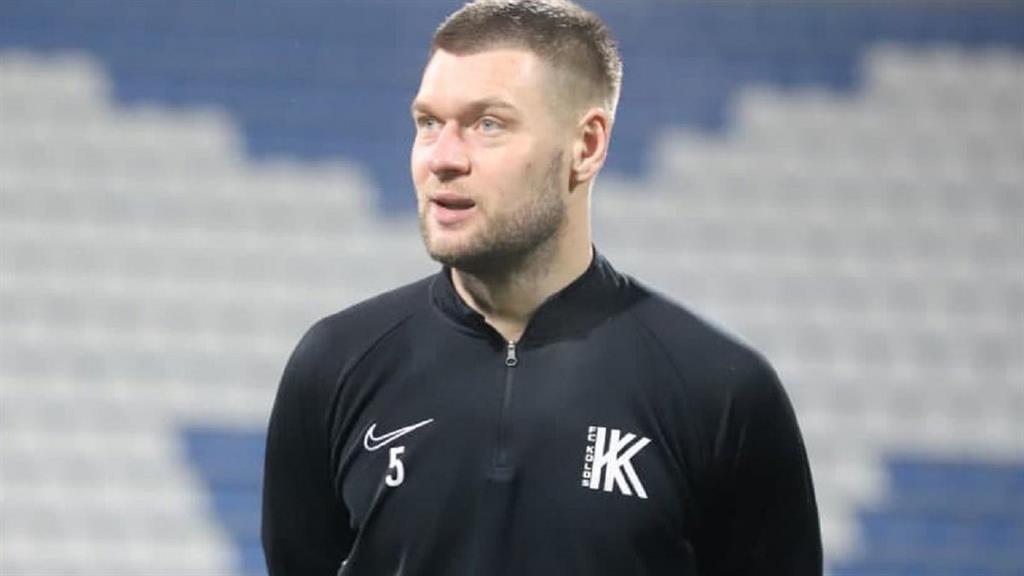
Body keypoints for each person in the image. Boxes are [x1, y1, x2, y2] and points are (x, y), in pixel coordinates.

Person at [261, 1, 822, 574]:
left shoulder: (720, 391)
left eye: (488, 124)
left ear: (586, 146)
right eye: (428, 123)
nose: (443, 158)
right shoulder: (335, 364)